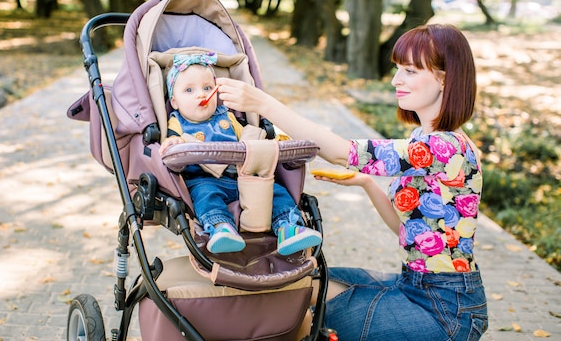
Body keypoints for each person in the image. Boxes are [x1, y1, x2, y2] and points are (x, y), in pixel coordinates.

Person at [216, 24, 488, 341]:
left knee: (309, 315)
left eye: (410, 71)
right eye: (398, 69)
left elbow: (338, 152)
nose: (396, 81)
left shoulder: (444, 147)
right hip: (414, 286)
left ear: (444, 78)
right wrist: (366, 183)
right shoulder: (421, 137)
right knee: (303, 284)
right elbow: (408, 231)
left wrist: (263, 104)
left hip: (445, 309)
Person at [159, 53, 322, 255]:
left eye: (207, 88)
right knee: (204, 196)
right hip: (205, 179)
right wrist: (174, 142)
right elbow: (170, 143)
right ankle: (221, 229)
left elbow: (249, 137)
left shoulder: (226, 116)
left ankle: (288, 228)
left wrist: (269, 142)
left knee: (276, 191)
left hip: (243, 176)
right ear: (174, 101)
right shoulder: (177, 123)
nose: (201, 94)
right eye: (189, 90)